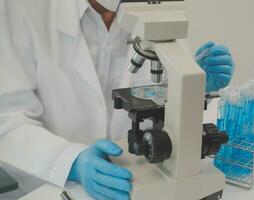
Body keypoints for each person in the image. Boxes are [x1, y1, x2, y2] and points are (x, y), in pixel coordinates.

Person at [0, 0, 234, 199]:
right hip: (49, 184)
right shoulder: (24, 7)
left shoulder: (154, 8)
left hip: (138, 166)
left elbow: (166, 90)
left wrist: (195, 85)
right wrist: (70, 162)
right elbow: (7, 120)